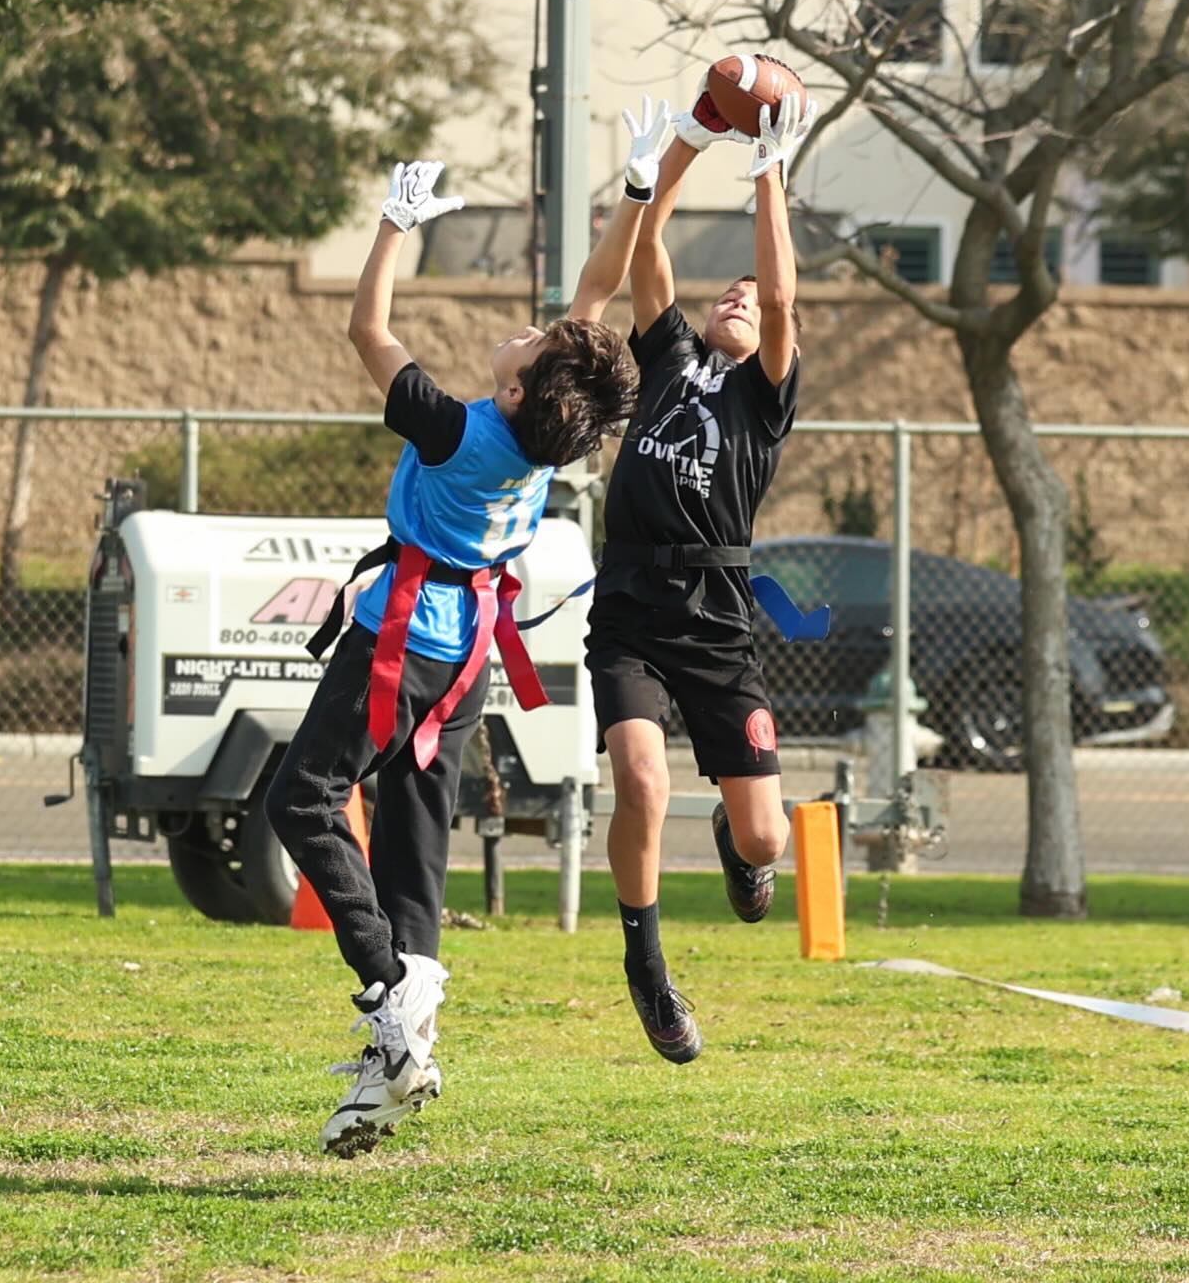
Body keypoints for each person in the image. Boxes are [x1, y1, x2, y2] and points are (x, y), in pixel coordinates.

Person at [265, 101, 668, 1156]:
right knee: (412, 844)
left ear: (521, 384)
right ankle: (395, 1063)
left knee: (300, 798)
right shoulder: (546, 433)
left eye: (534, 341)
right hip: (469, 651)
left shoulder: (457, 432)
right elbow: (596, 295)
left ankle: (388, 991)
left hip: (405, 637)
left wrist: (395, 222)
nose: (533, 325)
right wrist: (635, 191)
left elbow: (368, 331)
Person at [585, 85, 818, 1063]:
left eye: (749, 302)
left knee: (769, 842)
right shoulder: (671, 359)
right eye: (728, 290)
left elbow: (783, 294)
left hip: (718, 620)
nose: (737, 297)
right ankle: (647, 968)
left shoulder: (764, 397)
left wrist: (768, 173)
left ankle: (736, 840)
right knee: (641, 781)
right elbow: (648, 251)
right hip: (632, 605)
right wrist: (678, 148)